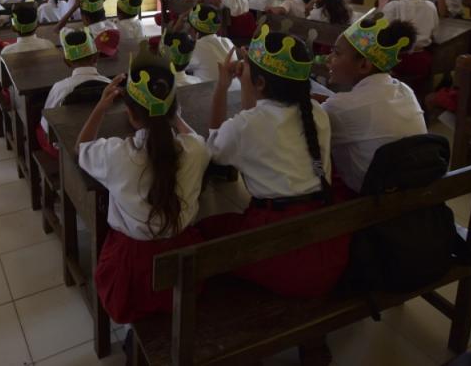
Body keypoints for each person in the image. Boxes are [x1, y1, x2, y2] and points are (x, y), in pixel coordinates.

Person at [199, 26, 349, 298]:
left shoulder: (248, 126)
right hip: (326, 243)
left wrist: (222, 87)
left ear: (260, 84)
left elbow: (214, 150)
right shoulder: (316, 112)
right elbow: (253, 122)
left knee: (203, 230)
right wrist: (249, 81)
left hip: (280, 250)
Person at [75, 47, 209, 324]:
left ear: (130, 114)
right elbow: (193, 137)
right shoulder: (196, 150)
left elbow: (82, 147)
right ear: (173, 109)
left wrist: (101, 106)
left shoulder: (117, 155)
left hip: (132, 276)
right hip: (184, 266)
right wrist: (171, 114)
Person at [322, 10, 425, 194]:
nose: (328, 59)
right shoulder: (404, 89)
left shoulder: (341, 107)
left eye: (337, 53)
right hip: (412, 194)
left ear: (364, 65)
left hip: (370, 204)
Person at [36, 29, 111, 158]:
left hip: (67, 150)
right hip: (105, 147)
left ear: (67, 61)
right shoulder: (110, 85)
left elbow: (46, 124)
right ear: (96, 56)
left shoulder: (60, 88)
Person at [382, 0, 439, 80]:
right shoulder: (431, 6)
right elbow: (434, 33)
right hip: (422, 61)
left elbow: (382, 34)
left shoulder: (394, 6)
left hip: (396, 60)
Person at [186, 3, 233, 82]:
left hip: (211, 92)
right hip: (235, 91)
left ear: (192, 29)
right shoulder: (227, 41)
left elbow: (177, 66)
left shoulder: (196, 47)